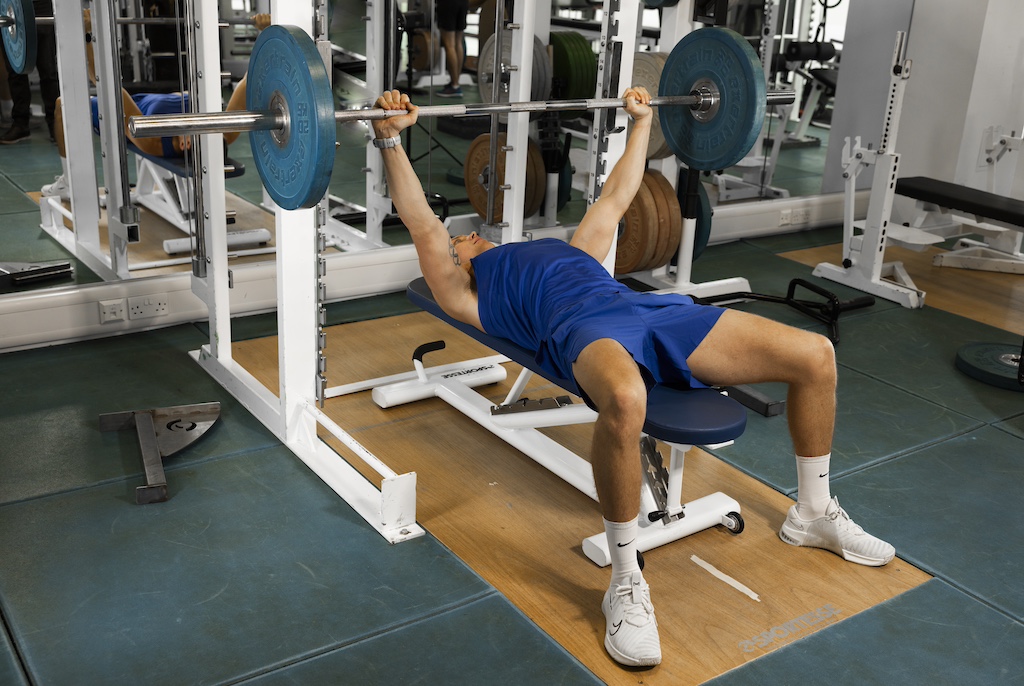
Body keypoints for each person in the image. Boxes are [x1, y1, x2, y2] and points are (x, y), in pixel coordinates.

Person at [370, 87, 896, 668]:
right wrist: (391, 137)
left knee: (816, 353)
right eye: (460, 235)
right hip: (581, 330)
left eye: (466, 232)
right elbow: (421, 222)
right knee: (625, 397)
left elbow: (619, 195)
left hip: (650, 313)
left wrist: (641, 121)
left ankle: (813, 513)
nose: (468, 231)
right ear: (459, 255)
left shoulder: (571, 251)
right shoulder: (469, 289)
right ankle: (625, 580)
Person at [41, 12, 268, 199]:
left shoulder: (150, 139)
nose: (192, 134)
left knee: (63, 105)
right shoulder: (224, 133)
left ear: (185, 147)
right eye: (200, 133)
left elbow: (107, 85)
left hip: (135, 107)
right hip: (168, 98)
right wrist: (266, 31)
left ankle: (70, 183)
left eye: (190, 142)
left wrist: (88, 33)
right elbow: (251, 79)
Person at [0, 0, 59, 144]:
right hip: (10, 5)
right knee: (15, 69)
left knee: (48, 70)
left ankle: (55, 124)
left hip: (40, 5)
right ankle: (20, 124)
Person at [434, 0, 469, 98]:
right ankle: (455, 82)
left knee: (449, 45)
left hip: (448, 4)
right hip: (463, 3)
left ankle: (455, 86)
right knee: (458, 42)